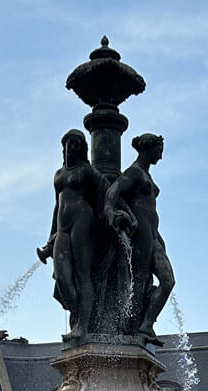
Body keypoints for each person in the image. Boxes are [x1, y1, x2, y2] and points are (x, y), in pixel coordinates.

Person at [105, 132, 176, 344]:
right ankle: (134, 325)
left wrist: (159, 237)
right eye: (159, 150)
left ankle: (146, 324)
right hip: (140, 235)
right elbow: (113, 190)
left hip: (153, 236)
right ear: (148, 148)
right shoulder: (134, 172)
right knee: (140, 279)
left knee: (167, 280)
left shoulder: (146, 176)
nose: (161, 156)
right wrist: (110, 211)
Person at [39, 129, 107, 341]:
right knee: (62, 276)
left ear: (84, 148)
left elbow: (107, 191)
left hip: (82, 220)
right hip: (62, 225)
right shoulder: (59, 174)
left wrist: (114, 213)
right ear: (64, 146)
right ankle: (78, 312)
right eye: (70, 143)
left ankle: (83, 325)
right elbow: (56, 205)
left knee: (82, 275)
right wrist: (51, 238)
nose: (72, 147)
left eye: (77, 143)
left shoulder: (87, 171)